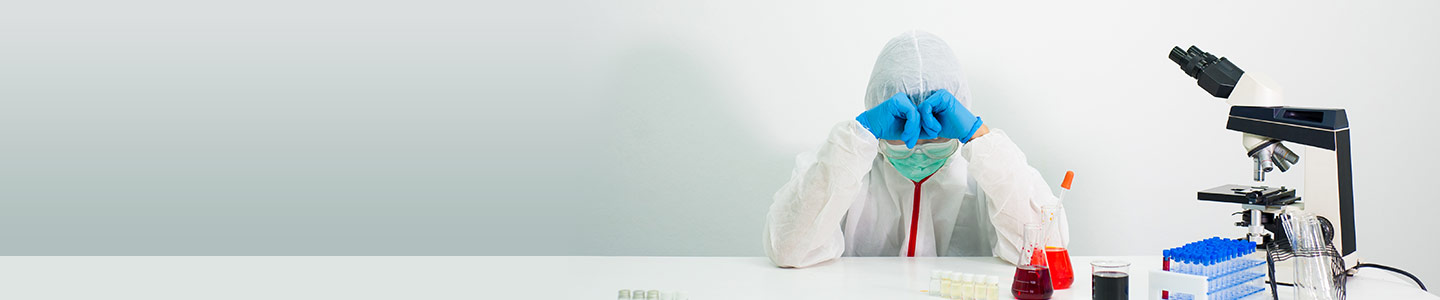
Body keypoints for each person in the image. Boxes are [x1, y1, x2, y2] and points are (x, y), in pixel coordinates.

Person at [763, 31, 1069, 268]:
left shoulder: (990, 177)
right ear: (878, 111)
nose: (918, 148)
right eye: (904, 131)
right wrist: (859, 136)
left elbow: (1048, 249)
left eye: (933, 132)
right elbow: (789, 250)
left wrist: (980, 138)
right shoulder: (842, 170)